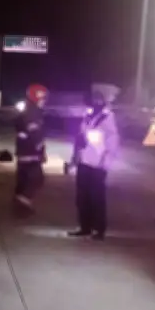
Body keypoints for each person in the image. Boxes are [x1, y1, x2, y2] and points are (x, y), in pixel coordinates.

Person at [68, 89, 119, 240]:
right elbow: (80, 137)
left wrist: (106, 161)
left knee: (97, 197)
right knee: (82, 196)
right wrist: (75, 157)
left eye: (98, 100)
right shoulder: (88, 116)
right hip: (84, 160)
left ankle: (99, 229)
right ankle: (85, 227)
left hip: (98, 163)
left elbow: (113, 142)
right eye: (93, 99)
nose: (95, 103)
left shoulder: (108, 117)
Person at [13, 84, 48, 217]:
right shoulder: (35, 112)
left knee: (23, 179)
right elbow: (35, 133)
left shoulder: (25, 110)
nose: (44, 100)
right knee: (37, 179)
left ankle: (19, 201)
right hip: (31, 152)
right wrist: (40, 150)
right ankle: (23, 201)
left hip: (23, 150)